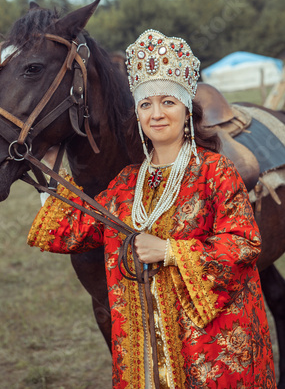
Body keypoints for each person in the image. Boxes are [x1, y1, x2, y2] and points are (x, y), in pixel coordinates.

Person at [27, 30, 276, 389]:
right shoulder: (126, 182)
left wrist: (170, 251)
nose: (156, 114)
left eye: (168, 103)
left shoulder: (214, 172)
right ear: (138, 114)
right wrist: (48, 166)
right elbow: (75, 229)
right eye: (146, 105)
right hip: (146, 352)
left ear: (186, 111)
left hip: (211, 354)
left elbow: (244, 244)